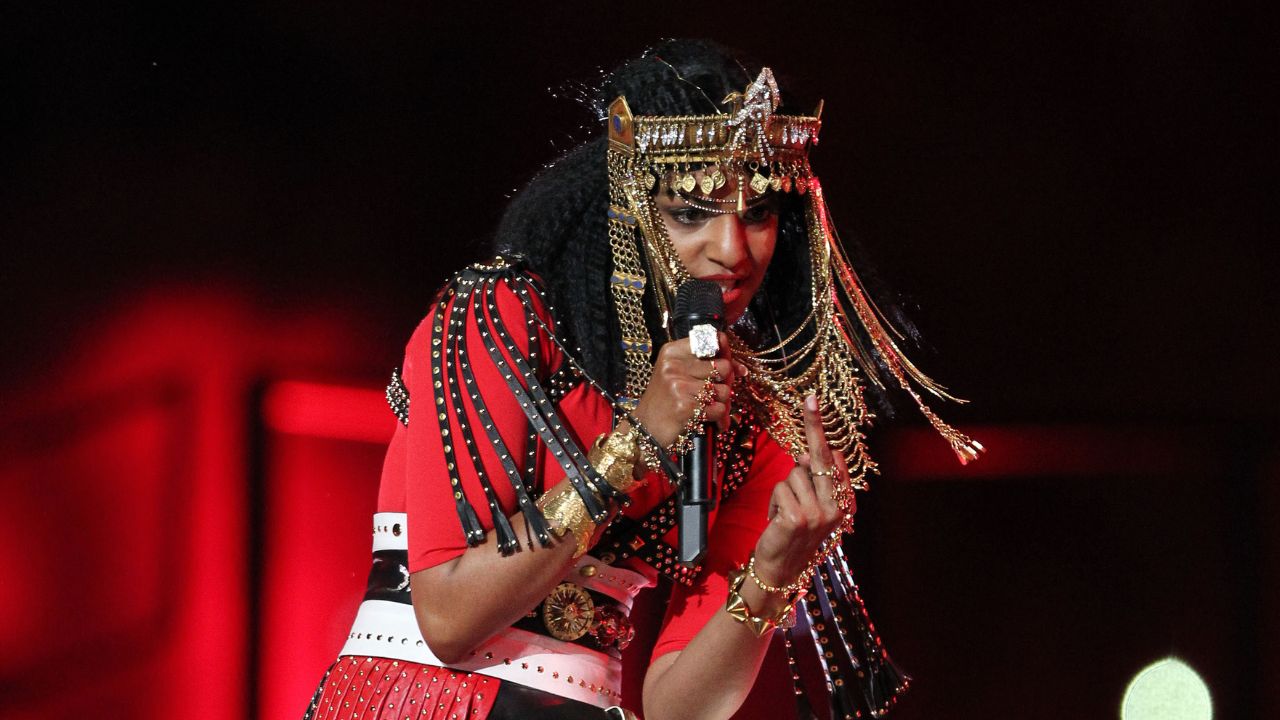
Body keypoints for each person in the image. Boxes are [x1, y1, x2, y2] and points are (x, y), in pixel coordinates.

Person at [303, 39, 980, 720]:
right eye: (691, 211)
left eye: (759, 213)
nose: (731, 249)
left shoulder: (747, 421)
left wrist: (773, 576)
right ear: (627, 204)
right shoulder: (503, 317)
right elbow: (449, 620)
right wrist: (637, 443)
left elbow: (677, 709)